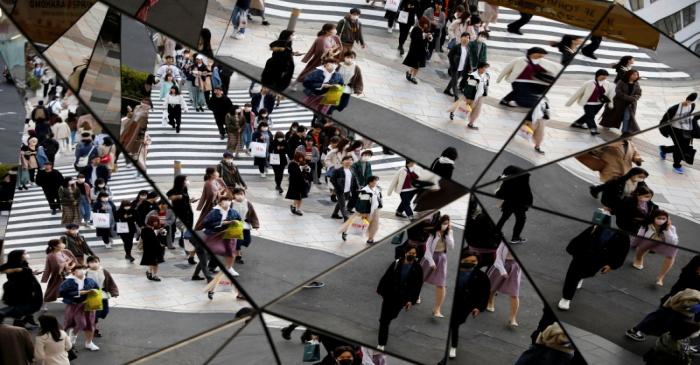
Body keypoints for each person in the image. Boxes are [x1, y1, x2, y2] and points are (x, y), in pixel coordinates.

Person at [557, 223, 630, 311]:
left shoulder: (624, 236)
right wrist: (574, 247)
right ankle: (566, 298)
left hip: (600, 258)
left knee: (588, 272)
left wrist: (612, 265)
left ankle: (580, 277)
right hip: (583, 252)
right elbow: (583, 236)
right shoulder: (598, 225)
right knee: (573, 274)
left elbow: (622, 253)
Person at [626, 256, 700, 342]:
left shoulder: (690, 271)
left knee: (663, 317)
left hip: (679, 301)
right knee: (661, 317)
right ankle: (638, 330)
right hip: (678, 301)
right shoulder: (690, 275)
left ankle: (638, 330)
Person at [376, 243, 423, 350]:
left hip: (402, 298)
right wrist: (380, 289)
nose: (412, 255)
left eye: (414, 253)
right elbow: (387, 276)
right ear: (405, 253)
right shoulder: (397, 263)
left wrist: (411, 301)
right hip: (389, 295)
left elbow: (417, 286)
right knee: (384, 321)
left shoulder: (418, 268)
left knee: (393, 315)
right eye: (410, 253)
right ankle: (381, 343)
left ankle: (385, 321)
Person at [448, 251, 490, 359]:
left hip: (465, 305)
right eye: (467, 261)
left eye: (473, 261)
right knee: (454, 325)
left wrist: (478, 307)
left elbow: (484, 294)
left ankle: (453, 345)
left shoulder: (482, 277)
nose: (470, 263)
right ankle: (453, 345)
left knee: (455, 324)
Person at [497, 47, 562, 108]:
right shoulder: (520, 60)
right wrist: (499, 79)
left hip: (533, 82)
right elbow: (507, 68)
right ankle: (516, 102)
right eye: (540, 54)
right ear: (533, 53)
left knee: (519, 91)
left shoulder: (542, 61)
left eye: (542, 55)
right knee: (524, 94)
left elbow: (555, 67)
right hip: (519, 81)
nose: (541, 56)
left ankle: (505, 100)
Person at [631, 210, 679, 287]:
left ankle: (660, 277)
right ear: (653, 217)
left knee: (672, 252)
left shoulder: (671, 228)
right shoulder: (647, 225)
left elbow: (673, 242)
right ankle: (638, 258)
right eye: (659, 218)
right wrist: (637, 243)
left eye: (664, 219)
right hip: (649, 240)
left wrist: (667, 230)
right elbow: (640, 235)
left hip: (663, 243)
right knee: (642, 246)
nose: (661, 220)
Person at [58, 265, 100, 351]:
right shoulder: (68, 282)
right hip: (75, 305)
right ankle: (72, 339)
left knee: (90, 324)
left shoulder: (89, 280)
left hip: (88, 305)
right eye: (79, 269)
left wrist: (94, 292)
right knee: (81, 323)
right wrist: (79, 293)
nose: (82, 271)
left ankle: (89, 343)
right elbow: (61, 293)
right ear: (73, 272)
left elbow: (97, 289)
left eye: (84, 269)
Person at [201, 195, 243, 280]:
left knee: (231, 252)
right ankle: (211, 267)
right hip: (216, 234)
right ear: (220, 202)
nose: (227, 202)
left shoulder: (233, 211)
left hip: (230, 234)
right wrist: (221, 223)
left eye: (229, 200)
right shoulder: (214, 212)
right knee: (216, 250)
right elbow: (205, 223)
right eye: (225, 200)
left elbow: (239, 220)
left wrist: (235, 223)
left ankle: (229, 268)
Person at [420, 215, 454, 317]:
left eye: (447, 223)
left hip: (442, 258)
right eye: (443, 223)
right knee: (420, 278)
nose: (445, 225)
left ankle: (437, 309)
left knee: (441, 283)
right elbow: (427, 250)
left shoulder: (449, 233)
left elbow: (452, 246)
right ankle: (414, 295)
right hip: (429, 258)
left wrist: (446, 235)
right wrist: (431, 262)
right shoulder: (433, 233)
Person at [0, 250, 43, 328]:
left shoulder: (23, 263)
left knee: (25, 305)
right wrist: (15, 270)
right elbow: (3, 268)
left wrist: (33, 273)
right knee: (24, 306)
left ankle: (25, 320)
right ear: (18, 256)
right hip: (21, 289)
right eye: (25, 254)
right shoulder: (14, 265)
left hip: (28, 287)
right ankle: (4, 314)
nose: (27, 255)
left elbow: (26, 273)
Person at [567, 69, 615, 135]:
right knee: (590, 116)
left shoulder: (607, 83)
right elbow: (578, 92)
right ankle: (593, 129)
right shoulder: (589, 83)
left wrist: (611, 103)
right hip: (588, 103)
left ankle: (577, 123)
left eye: (606, 77)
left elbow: (610, 95)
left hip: (599, 103)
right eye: (603, 76)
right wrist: (570, 102)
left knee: (589, 115)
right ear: (597, 75)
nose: (604, 78)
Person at [659, 93, 698, 174]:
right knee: (679, 148)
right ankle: (676, 165)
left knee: (684, 147)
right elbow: (664, 121)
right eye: (688, 101)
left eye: (691, 102)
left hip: (687, 130)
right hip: (675, 130)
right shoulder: (674, 109)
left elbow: (691, 116)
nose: (689, 103)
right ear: (686, 98)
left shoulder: (692, 106)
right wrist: (665, 131)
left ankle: (664, 149)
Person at [486, 242, 522, 327]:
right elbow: (498, 254)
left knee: (514, 293)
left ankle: (513, 318)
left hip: (515, 267)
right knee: (492, 287)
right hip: (501, 265)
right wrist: (502, 270)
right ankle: (490, 301)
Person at [494, 165, 533, 244]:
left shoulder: (508, 181)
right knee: (520, 220)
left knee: (504, 217)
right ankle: (515, 237)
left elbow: (500, 193)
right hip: (520, 205)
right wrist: (529, 203)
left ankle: (496, 233)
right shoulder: (524, 180)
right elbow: (528, 193)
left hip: (509, 203)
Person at [166, 175, 198, 265]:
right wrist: (176, 197)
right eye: (185, 180)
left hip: (189, 214)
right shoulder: (174, 191)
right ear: (181, 181)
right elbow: (169, 196)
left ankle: (184, 245)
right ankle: (189, 255)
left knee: (187, 233)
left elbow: (185, 200)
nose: (187, 181)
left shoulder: (185, 189)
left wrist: (191, 200)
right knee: (187, 235)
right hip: (181, 215)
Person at [341, 175, 382, 244]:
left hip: (375, 210)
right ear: (370, 182)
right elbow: (363, 204)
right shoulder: (365, 191)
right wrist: (363, 214)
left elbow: (379, 198)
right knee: (355, 223)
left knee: (374, 225)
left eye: (376, 181)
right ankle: (345, 231)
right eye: (375, 181)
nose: (376, 182)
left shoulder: (376, 188)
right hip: (365, 211)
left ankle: (370, 239)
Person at [449, 61, 490, 129]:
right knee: (462, 106)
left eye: (486, 68)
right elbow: (469, 89)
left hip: (480, 96)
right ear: (480, 68)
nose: (486, 70)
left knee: (477, 110)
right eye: (485, 68)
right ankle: (453, 112)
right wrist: (471, 99)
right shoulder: (473, 76)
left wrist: (484, 94)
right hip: (471, 96)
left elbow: (486, 85)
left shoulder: (486, 75)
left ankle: (471, 123)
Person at [600, 69, 642, 134]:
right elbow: (618, 92)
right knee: (614, 115)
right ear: (629, 75)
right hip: (619, 103)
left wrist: (634, 98)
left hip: (630, 104)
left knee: (627, 117)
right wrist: (629, 98)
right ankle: (606, 124)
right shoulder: (621, 82)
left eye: (637, 75)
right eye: (634, 74)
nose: (636, 76)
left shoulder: (636, 83)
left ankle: (624, 131)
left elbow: (638, 93)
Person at [85, 256, 118, 338]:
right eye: (91, 262)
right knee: (94, 314)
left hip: (102, 294)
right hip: (91, 295)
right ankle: (94, 328)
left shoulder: (104, 271)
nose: (94, 264)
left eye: (96, 261)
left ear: (99, 262)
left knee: (104, 311)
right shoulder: (86, 273)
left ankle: (92, 324)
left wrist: (114, 292)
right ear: (88, 264)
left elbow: (110, 282)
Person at [41, 240, 76, 306]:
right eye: (61, 243)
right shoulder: (51, 256)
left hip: (69, 275)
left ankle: (71, 303)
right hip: (59, 276)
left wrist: (71, 266)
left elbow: (74, 260)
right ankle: (45, 304)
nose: (63, 244)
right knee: (52, 291)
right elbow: (53, 268)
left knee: (71, 289)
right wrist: (66, 264)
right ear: (55, 246)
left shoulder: (66, 251)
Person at [328, 50, 363, 114]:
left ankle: (331, 110)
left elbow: (359, 79)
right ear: (344, 57)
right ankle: (326, 115)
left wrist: (358, 90)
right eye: (347, 57)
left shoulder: (356, 68)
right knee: (330, 102)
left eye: (351, 57)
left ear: (354, 59)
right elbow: (331, 73)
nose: (349, 59)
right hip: (337, 85)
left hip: (347, 87)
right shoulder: (339, 65)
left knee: (343, 105)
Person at [231, 188, 260, 264]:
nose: (240, 196)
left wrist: (255, 225)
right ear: (234, 195)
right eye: (237, 194)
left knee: (247, 241)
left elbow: (253, 214)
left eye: (241, 194)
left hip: (245, 224)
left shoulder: (247, 203)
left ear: (244, 195)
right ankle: (238, 255)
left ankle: (236, 248)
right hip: (235, 225)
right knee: (237, 242)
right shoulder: (231, 203)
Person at [403, 17, 432, 84]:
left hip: (422, 50)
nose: (426, 25)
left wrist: (428, 37)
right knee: (416, 65)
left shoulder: (425, 30)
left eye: (427, 24)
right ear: (422, 23)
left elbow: (428, 40)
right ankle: (413, 77)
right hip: (415, 50)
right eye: (426, 24)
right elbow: (414, 38)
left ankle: (410, 74)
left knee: (416, 65)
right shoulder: (416, 29)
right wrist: (423, 36)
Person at [444, 32, 472, 99]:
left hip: (462, 69)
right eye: (465, 37)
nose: (466, 38)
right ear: (461, 37)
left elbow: (468, 59)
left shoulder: (467, 48)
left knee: (454, 80)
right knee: (455, 82)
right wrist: (452, 65)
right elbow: (450, 55)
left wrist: (469, 68)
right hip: (454, 68)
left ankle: (447, 90)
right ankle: (456, 97)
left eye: (468, 37)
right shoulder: (456, 47)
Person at [331, 156, 359, 222]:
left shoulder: (351, 170)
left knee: (340, 202)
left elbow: (355, 180)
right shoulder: (337, 170)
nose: (349, 161)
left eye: (351, 160)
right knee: (343, 205)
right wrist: (337, 187)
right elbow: (332, 180)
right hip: (340, 190)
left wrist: (358, 187)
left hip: (347, 190)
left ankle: (334, 214)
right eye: (347, 160)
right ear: (342, 161)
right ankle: (346, 217)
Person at [140, 215, 166, 281]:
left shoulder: (154, 229)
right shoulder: (145, 229)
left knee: (155, 263)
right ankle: (152, 274)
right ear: (151, 221)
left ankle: (152, 274)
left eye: (157, 221)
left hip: (156, 248)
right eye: (154, 221)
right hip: (150, 249)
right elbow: (148, 239)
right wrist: (156, 233)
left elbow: (161, 236)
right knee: (153, 262)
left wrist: (159, 232)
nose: (156, 223)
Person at [286, 151, 312, 216]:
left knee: (300, 197)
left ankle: (296, 208)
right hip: (295, 183)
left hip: (302, 183)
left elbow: (306, 172)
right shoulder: (292, 164)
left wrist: (306, 169)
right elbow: (293, 173)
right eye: (300, 158)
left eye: (302, 158)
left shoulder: (301, 163)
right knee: (298, 196)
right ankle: (296, 208)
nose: (302, 159)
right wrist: (300, 169)